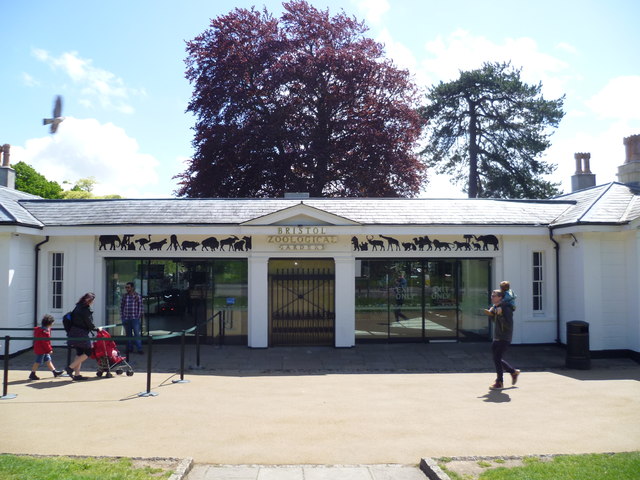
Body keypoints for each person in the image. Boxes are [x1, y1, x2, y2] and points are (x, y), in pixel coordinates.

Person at [488, 289, 520, 390]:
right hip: (497, 336)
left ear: (500, 297)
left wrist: (500, 315)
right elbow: (495, 322)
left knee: (497, 358)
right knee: (496, 358)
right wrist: (492, 315)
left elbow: (508, 325)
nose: (492, 297)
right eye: (492, 295)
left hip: (504, 337)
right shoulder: (496, 307)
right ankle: (513, 372)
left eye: (494, 296)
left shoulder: (506, 308)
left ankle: (500, 382)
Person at [66, 292, 98, 381]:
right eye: (92, 300)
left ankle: (77, 375)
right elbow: (89, 323)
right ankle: (70, 368)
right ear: (90, 300)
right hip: (81, 333)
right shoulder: (85, 309)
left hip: (73, 331)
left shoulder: (78, 306)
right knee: (88, 352)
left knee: (79, 353)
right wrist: (96, 329)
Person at [29, 315, 63, 380]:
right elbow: (45, 342)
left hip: (41, 348)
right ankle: (32, 373)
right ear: (49, 323)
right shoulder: (45, 331)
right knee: (38, 361)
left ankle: (54, 371)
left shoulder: (40, 330)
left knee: (48, 360)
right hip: (42, 349)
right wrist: (49, 350)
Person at [120, 282, 144, 354]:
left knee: (137, 334)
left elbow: (141, 307)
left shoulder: (137, 296)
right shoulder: (124, 296)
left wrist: (138, 316)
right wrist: (122, 316)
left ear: (132, 288)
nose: (127, 289)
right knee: (128, 334)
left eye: (128, 287)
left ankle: (139, 349)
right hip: (126, 318)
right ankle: (129, 348)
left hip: (135, 318)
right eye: (126, 287)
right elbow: (122, 306)